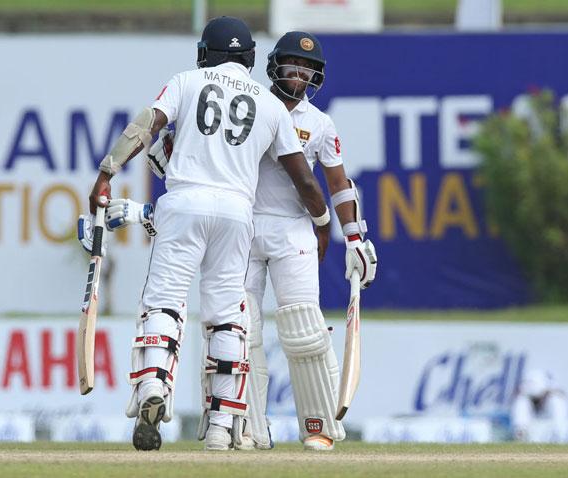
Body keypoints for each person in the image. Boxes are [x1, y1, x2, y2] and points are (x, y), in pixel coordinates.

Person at [85, 16, 331, 452]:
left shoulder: (187, 81)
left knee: (164, 301)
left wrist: (107, 172)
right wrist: (323, 225)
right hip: (238, 214)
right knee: (227, 316)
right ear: (251, 59)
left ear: (205, 54)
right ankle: (220, 425)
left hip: (184, 203)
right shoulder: (272, 107)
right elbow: (306, 183)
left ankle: (152, 389)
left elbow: (148, 125)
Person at [147, 31, 377, 451]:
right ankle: (244, 426)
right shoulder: (256, 103)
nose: (298, 78)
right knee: (239, 328)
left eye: (307, 72)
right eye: (291, 68)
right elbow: (183, 151)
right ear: (273, 66)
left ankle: (318, 425)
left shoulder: (320, 124)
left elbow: (339, 183)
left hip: (293, 230)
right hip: (245, 224)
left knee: (304, 327)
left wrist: (356, 238)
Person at [511, 369, 568, 441]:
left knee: (557, 401)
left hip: (551, 430)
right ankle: (520, 436)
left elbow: (563, 394)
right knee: (521, 401)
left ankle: (559, 437)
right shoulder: (524, 399)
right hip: (533, 430)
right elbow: (516, 393)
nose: (536, 400)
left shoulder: (554, 398)